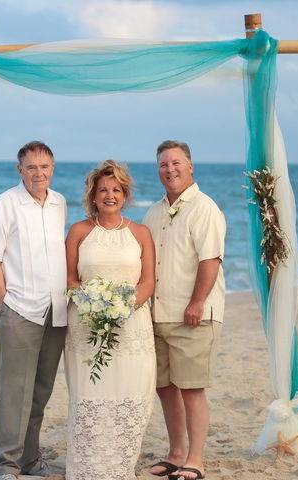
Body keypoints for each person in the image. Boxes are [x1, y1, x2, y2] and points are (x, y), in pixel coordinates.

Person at [0, 141, 67, 480]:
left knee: (41, 389)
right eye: (31, 167)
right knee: (15, 391)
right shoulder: (5, 204)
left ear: (52, 168)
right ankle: (7, 464)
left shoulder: (59, 203)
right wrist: (5, 304)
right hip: (20, 310)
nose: (38, 173)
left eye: (44, 167)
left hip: (55, 311)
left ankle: (31, 459)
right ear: (20, 170)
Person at [64, 160, 156, 480]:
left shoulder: (141, 233)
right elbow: (70, 279)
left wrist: (121, 306)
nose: (109, 195)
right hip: (86, 326)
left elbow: (148, 282)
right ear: (92, 195)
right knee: (90, 394)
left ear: (125, 194)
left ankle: (119, 467)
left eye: (116, 189)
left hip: (131, 326)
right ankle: (87, 467)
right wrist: (93, 305)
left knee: (130, 393)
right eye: (102, 189)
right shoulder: (78, 231)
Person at [143, 141, 226, 480]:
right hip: (158, 314)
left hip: (193, 315)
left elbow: (210, 259)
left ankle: (196, 459)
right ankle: (176, 453)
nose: (170, 169)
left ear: (191, 167)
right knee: (165, 387)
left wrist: (196, 302)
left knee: (191, 388)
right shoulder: (154, 212)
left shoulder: (204, 208)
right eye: (163, 164)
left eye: (176, 162)